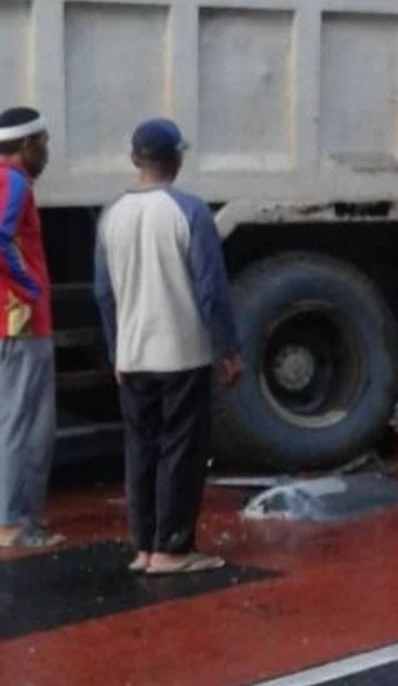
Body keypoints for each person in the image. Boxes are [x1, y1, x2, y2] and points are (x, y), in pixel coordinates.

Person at [93, 118, 241, 575]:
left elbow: (103, 291)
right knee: (182, 449)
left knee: (141, 449)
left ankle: (143, 546)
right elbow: (211, 289)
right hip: (182, 353)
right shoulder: (190, 210)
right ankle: (173, 548)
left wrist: (117, 349)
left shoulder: (110, 215)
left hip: (133, 356)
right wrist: (228, 348)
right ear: (174, 158)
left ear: (137, 159)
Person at [0, 107, 62, 549]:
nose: (46, 151)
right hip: (21, 321)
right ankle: (14, 523)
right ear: (26, 146)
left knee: (11, 420)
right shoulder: (15, 182)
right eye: (42, 142)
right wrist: (31, 289)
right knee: (26, 423)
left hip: (9, 319)